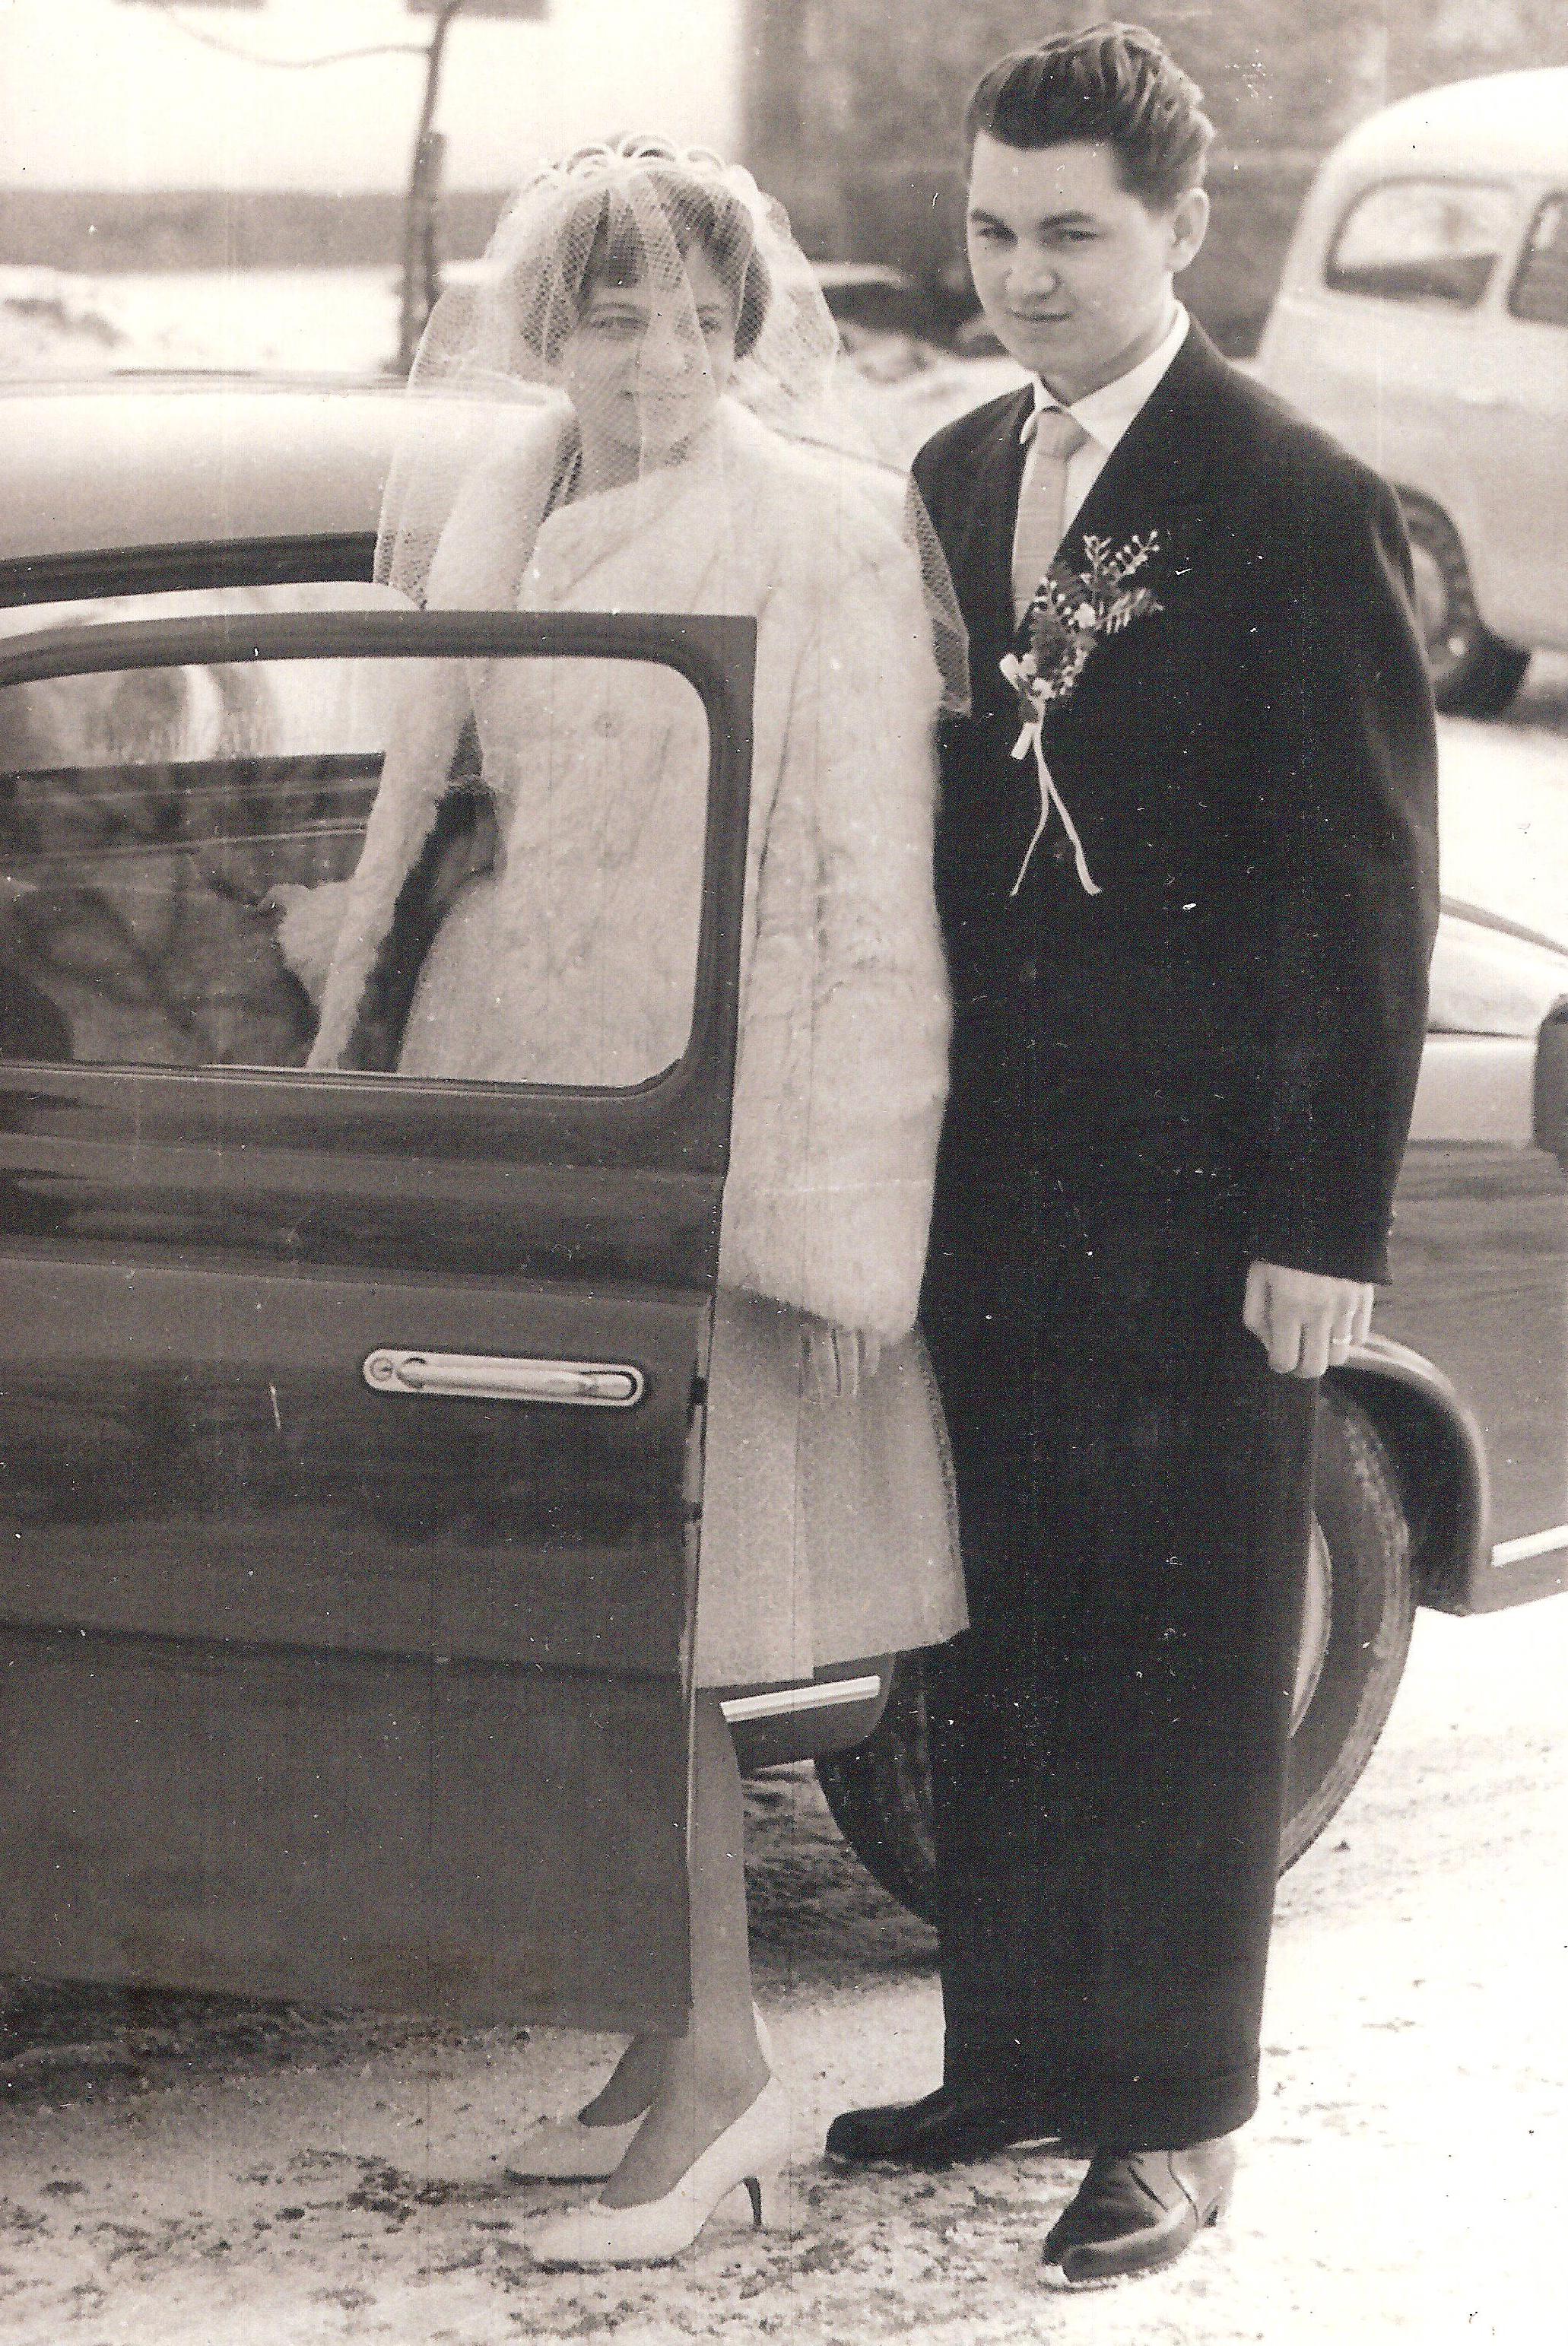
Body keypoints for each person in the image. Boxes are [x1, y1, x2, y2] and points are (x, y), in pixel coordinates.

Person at [287, 135, 966, 2269]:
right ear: (547, 329)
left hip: (701, 1132)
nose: (662, 358)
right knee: (576, 1611)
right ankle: (658, 2040)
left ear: (749, 326)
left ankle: (726, 2069)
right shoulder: (509, 498)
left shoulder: (823, 531)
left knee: (665, 1622)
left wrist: (824, 1195)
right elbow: (441, 813)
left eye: (699, 315)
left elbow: (865, 890)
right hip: (520, 1096)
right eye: (615, 316)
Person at [825, 24, 1439, 2288]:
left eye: (1071, 233)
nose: (1023, 276)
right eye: (992, 231)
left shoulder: (1294, 493)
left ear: (1187, 227)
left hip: (1204, 1205)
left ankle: (1172, 2119)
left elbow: (1361, 898)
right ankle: (1012, 2052)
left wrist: (1321, 1226)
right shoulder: (958, 463)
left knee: (1182, 1656)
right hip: (988, 1184)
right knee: (998, 1634)